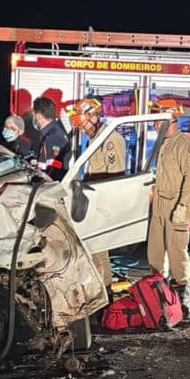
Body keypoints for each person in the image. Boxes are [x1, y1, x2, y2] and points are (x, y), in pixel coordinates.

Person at [147, 100, 190, 318]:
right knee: (155, 253)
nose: (154, 124)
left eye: (157, 119)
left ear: (169, 119)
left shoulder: (183, 145)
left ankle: (185, 297)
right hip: (159, 206)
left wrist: (182, 205)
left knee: (177, 252)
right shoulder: (161, 144)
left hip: (177, 206)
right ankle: (161, 294)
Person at [68, 98, 126, 290]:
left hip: (103, 203)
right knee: (94, 251)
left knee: (100, 252)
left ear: (93, 116)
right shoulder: (96, 138)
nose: (82, 129)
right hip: (93, 203)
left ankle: (105, 292)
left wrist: (108, 209)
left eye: (83, 123)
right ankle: (98, 291)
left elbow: (116, 178)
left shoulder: (110, 140)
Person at [32, 96, 70, 181]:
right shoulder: (52, 133)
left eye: (33, 115)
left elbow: (53, 171)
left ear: (38, 116)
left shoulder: (52, 138)